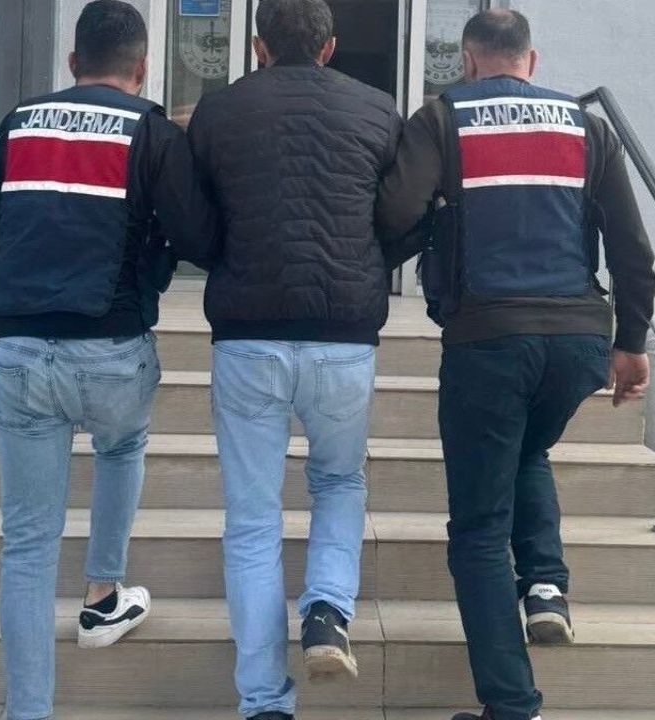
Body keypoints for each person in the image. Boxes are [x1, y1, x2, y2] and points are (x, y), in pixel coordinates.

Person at [376, 9, 655, 720]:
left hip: (488, 339)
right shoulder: (587, 127)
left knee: (477, 529)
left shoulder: (443, 117)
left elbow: (396, 212)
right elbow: (632, 248)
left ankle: (512, 705)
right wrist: (631, 342)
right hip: (578, 342)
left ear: (467, 61)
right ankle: (546, 587)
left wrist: (435, 220)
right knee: (527, 450)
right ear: (532, 61)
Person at [0, 2, 215, 719]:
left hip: (20, 350)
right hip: (112, 347)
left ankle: (28, 710)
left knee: (27, 545)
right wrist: (153, 268)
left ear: (73, 63)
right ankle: (103, 594)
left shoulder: (21, 121)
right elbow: (198, 235)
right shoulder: (151, 131)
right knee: (122, 443)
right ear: (143, 68)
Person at [171, 1, 403, 718]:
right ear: (329, 47)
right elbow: (399, 217)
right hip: (343, 335)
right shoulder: (379, 110)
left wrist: (229, 258)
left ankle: (265, 700)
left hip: (248, 334)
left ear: (257, 44)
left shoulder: (218, 111)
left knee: (251, 520)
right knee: (338, 481)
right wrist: (369, 265)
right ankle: (327, 609)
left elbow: (191, 225)